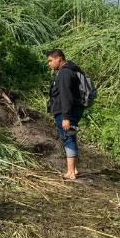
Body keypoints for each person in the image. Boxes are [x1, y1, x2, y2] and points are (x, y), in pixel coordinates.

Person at [46, 49, 85, 180]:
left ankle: (71, 172)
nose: (49, 64)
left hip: (66, 112)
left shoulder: (65, 73)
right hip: (70, 110)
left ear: (59, 59)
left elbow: (66, 96)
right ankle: (74, 169)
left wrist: (66, 117)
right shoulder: (70, 71)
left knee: (68, 138)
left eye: (50, 60)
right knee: (70, 136)